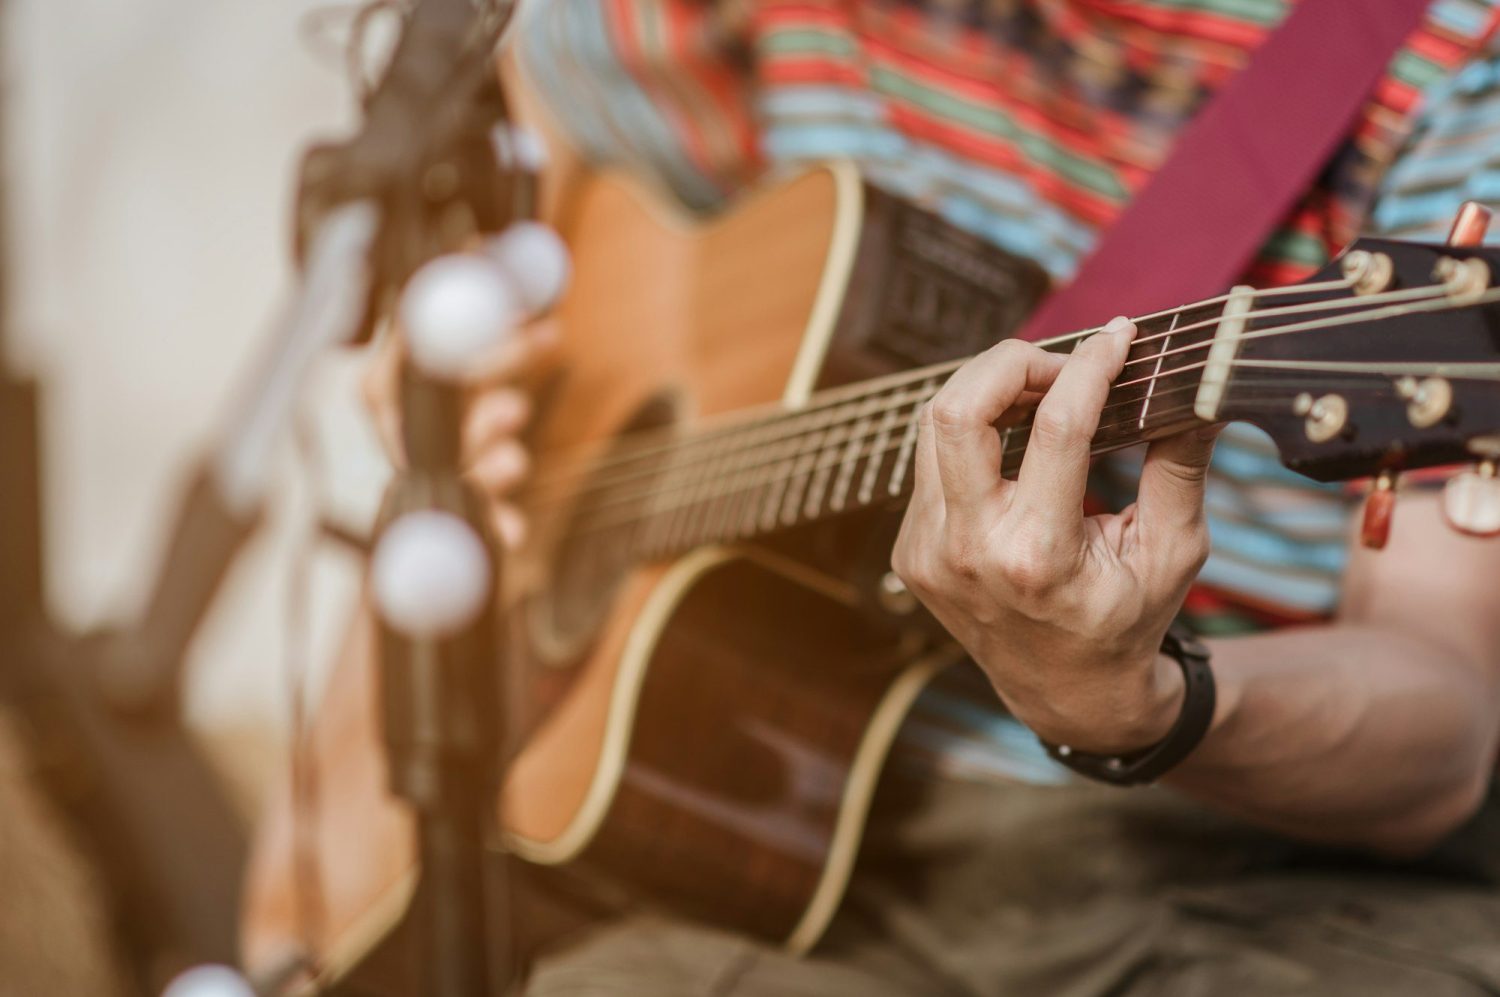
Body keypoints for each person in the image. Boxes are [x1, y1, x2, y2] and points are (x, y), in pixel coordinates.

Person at [246, 1, 1500, 993]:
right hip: (774, 823)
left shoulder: (1450, 61)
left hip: (1236, 879)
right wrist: (492, 347)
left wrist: (1142, 705)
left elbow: (1445, 720)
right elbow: (546, 132)